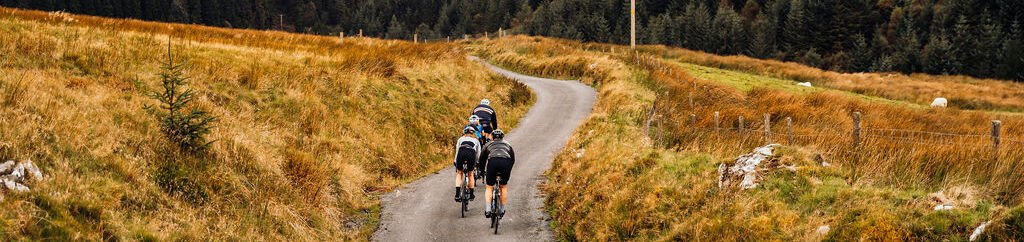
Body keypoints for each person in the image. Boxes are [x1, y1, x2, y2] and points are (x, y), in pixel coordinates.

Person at [480, 129, 514, 218]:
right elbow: (512, 159)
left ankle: (488, 210)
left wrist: (482, 171)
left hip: (493, 162)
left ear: (492, 137)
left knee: (489, 187)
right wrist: (508, 170)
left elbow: (482, 159)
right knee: (503, 186)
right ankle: (502, 210)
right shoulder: (508, 144)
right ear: (503, 137)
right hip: (505, 163)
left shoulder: (488, 144)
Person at [454, 126, 481, 201]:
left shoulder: (460, 139)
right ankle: (471, 194)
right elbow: (478, 153)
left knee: (459, 173)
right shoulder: (476, 140)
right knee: (470, 174)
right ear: (473, 133)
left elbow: (457, 151)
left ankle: (457, 194)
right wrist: (477, 162)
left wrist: (455, 161)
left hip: (461, 153)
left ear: (464, 133)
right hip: (471, 154)